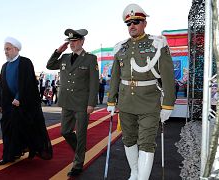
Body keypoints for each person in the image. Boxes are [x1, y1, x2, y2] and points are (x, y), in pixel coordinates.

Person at [106, 4, 176, 180]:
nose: (132, 26)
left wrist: (168, 104)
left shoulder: (157, 44)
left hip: (149, 102)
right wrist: (111, 101)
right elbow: (115, 76)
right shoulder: (120, 48)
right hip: (126, 102)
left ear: (144, 23)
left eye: (136, 22)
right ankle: (135, 173)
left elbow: (168, 77)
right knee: (128, 140)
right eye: (129, 23)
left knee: (146, 143)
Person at [46, 28, 99, 177]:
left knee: (81, 134)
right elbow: (49, 65)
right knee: (65, 131)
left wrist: (91, 103)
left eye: (75, 41)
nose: (72, 44)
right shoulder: (64, 58)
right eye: (70, 41)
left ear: (82, 41)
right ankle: (80, 150)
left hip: (82, 103)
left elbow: (94, 83)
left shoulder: (90, 59)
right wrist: (58, 51)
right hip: (67, 101)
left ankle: (78, 164)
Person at [0, 36, 52, 166]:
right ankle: (9, 155)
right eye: (5, 49)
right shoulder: (4, 66)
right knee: (8, 130)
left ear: (16, 49)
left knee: (26, 128)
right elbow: (1, 86)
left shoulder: (25, 62)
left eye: (8, 49)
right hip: (8, 105)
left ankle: (28, 149)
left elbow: (29, 83)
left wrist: (19, 97)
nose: (6, 52)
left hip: (23, 104)